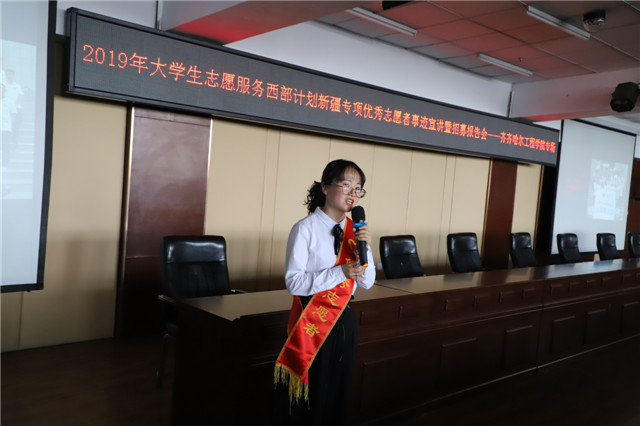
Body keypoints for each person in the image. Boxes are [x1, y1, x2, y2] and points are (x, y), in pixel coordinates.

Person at [273, 159, 376, 425]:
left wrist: (365, 248)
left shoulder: (355, 231)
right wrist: (340, 273)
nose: (353, 193)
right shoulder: (304, 229)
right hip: (312, 319)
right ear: (325, 187)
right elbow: (294, 282)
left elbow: (367, 282)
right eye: (347, 185)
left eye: (358, 188)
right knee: (314, 394)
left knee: (338, 391)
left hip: (345, 321)